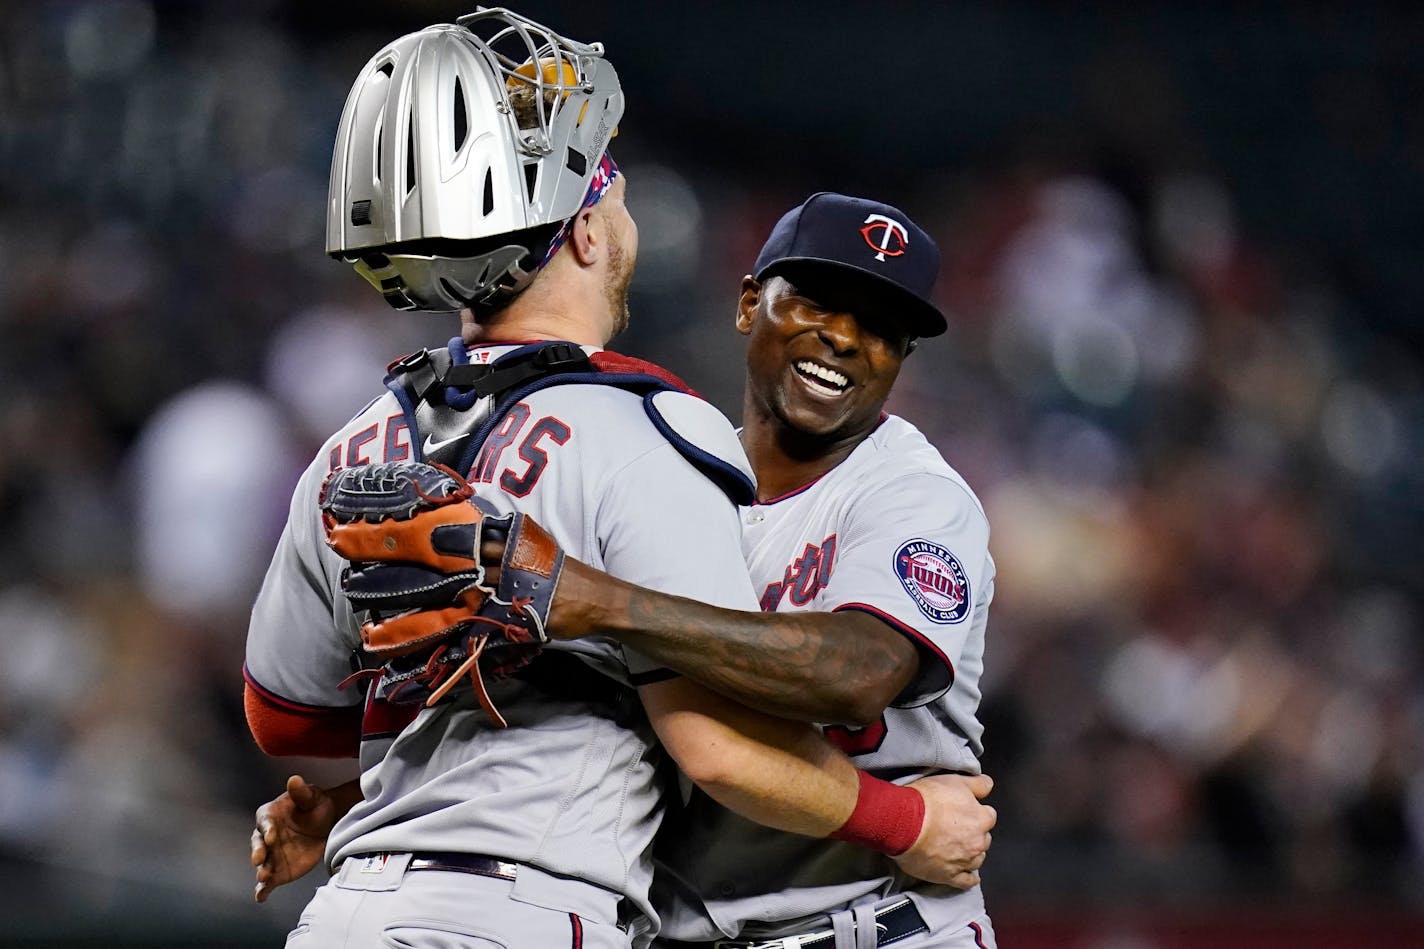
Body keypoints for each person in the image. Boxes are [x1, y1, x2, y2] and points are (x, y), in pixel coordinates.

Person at [244, 11, 993, 949]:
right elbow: (704, 743)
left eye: (883, 325)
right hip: (534, 908)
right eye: (818, 300)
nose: (845, 336)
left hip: (856, 921)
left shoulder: (361, 440)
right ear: (593, 231)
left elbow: (284, 715)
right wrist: (910, 820)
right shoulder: (650, 438)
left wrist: (594, 606)